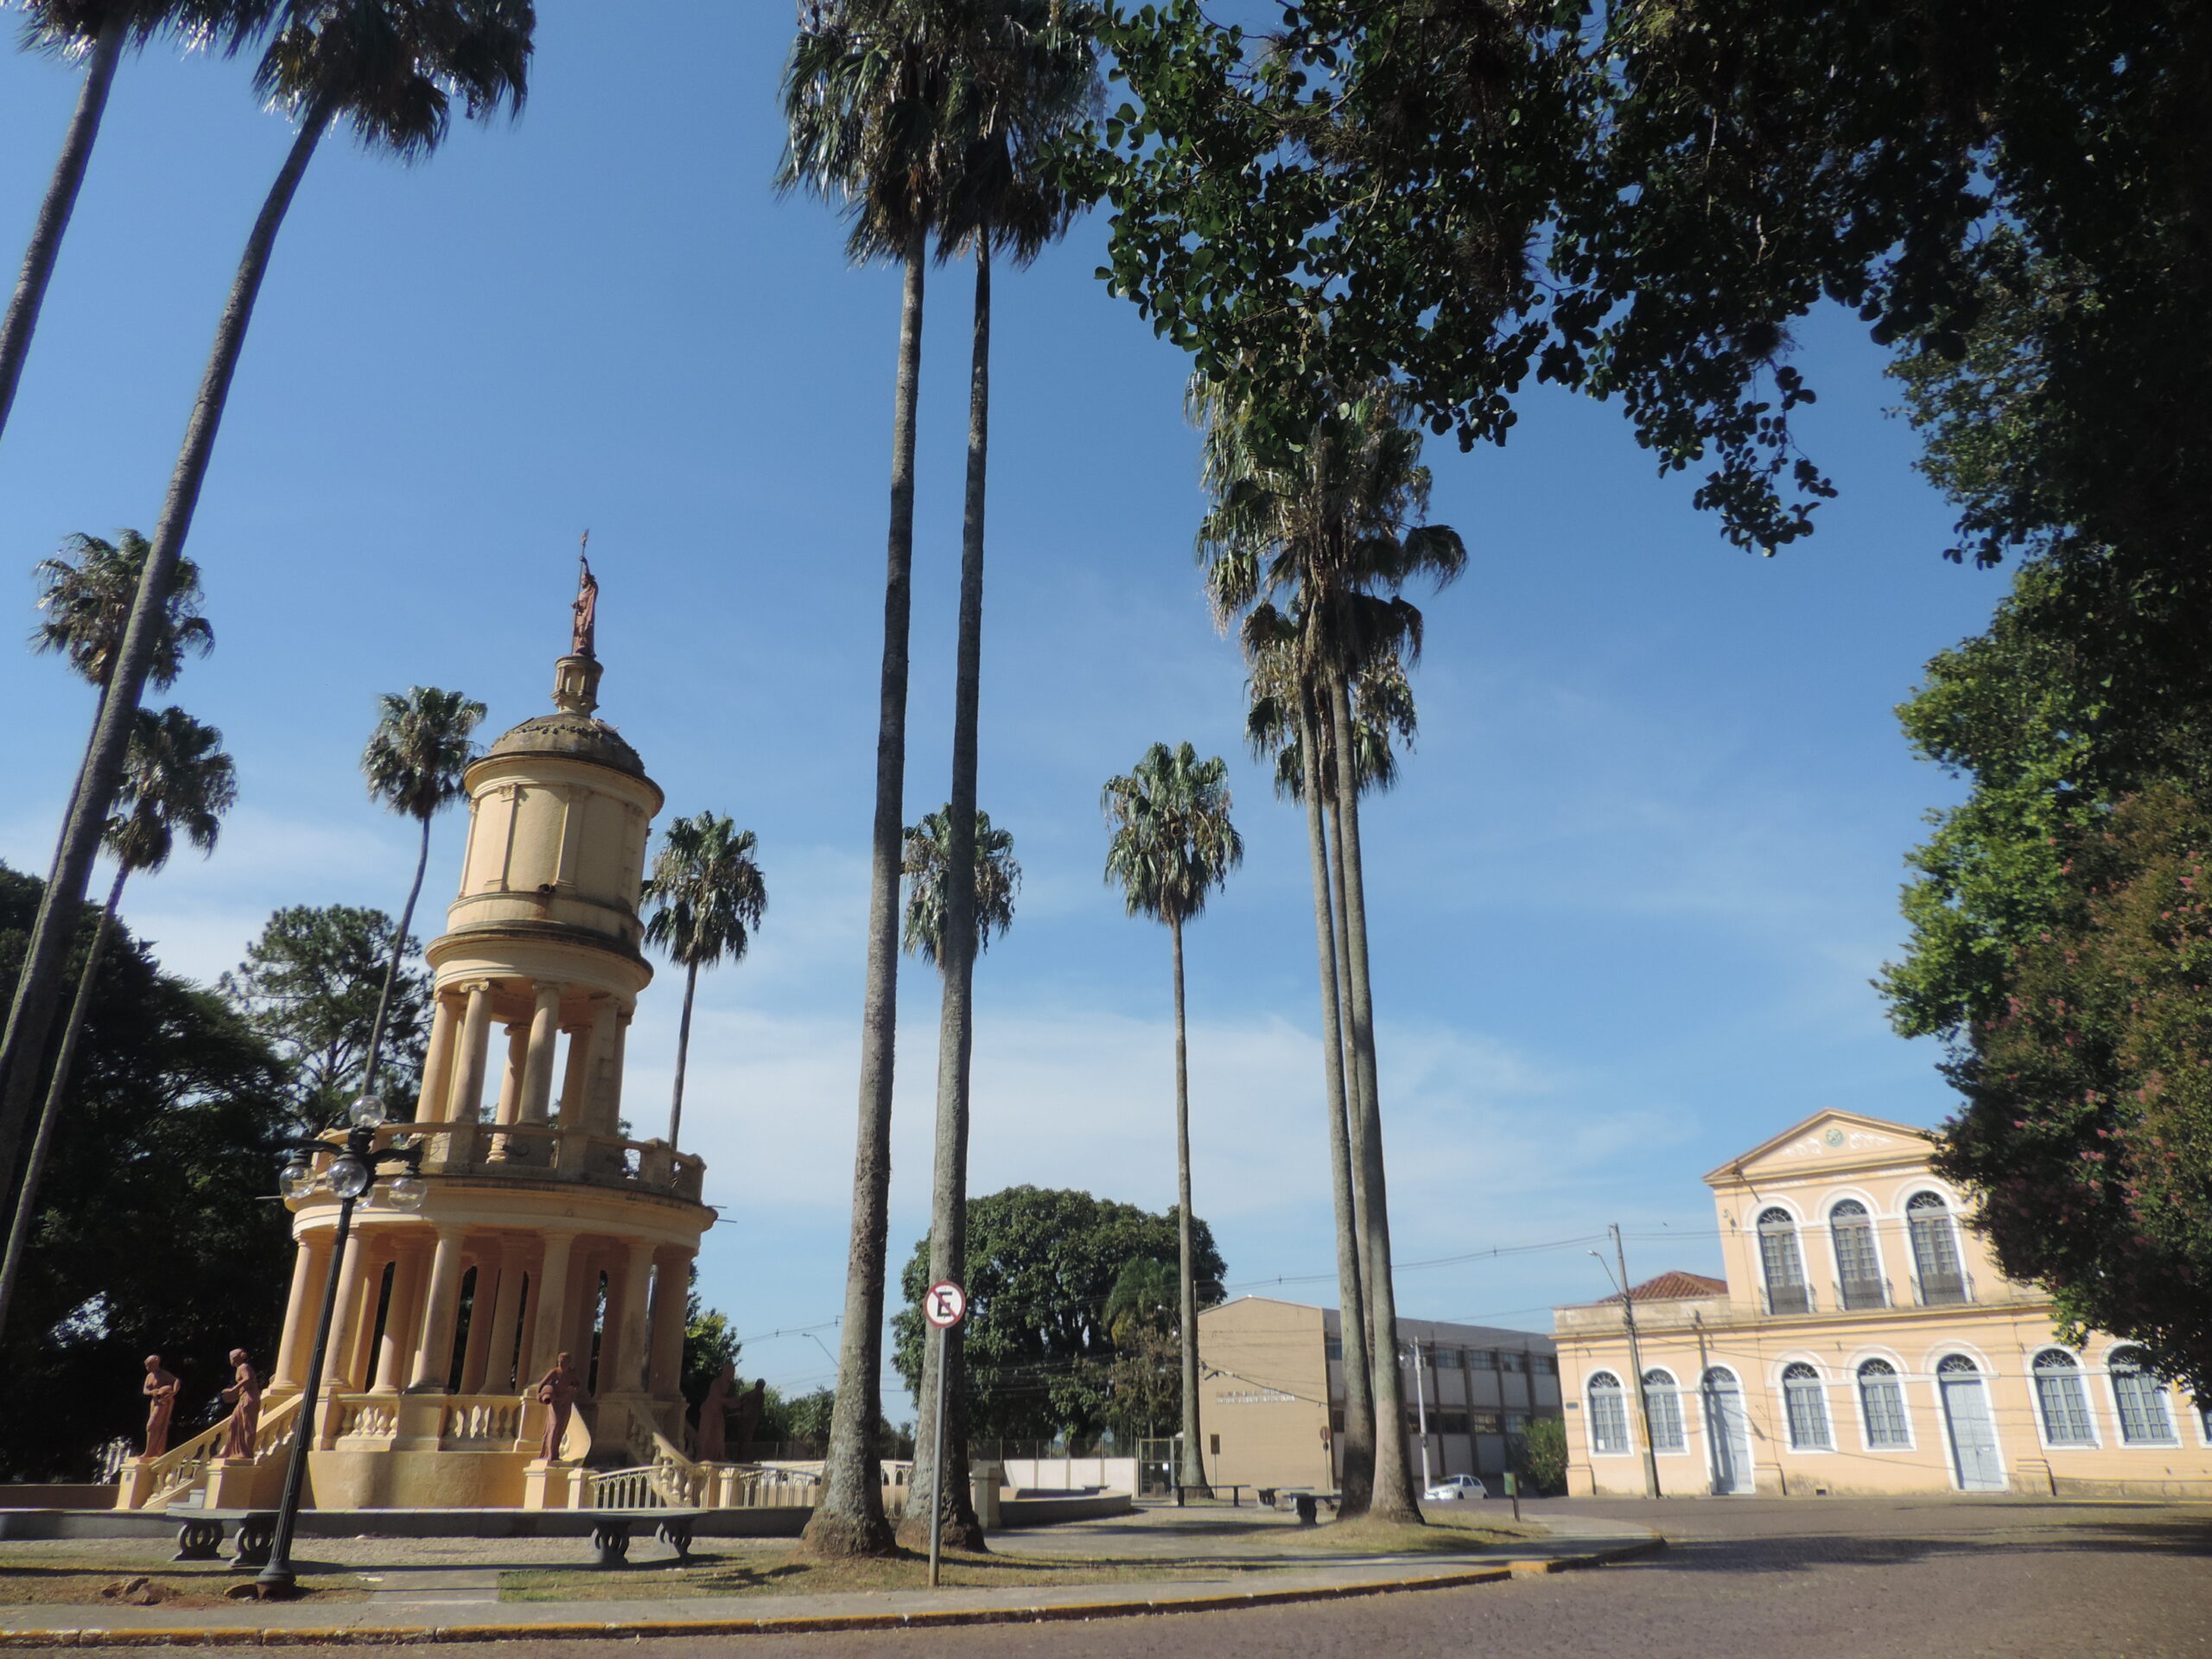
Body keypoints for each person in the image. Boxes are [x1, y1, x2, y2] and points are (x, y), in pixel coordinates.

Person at [536, 1351, 583, 1462]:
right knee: (554, 1425)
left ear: (568, 1362)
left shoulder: (571, 1374)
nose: (561, 1364)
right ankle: (550, 1454)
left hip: (566, 1402)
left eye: (563, 1362)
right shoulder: (555, 1372)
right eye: (559, 1362)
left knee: (562, 1427)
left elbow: (578, 1385)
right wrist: (540, 1396)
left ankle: (555, 1452)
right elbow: (541, 1385)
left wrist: (574, 1389)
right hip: (555, 1402)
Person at [219, 1350, 260, 1459]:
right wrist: (234, 1394)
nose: (230, 1358)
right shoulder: (240, 1368)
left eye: (232, 1356)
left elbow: (248, 1379)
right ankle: (229, 1451)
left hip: (249, 1398)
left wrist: (234, 1389)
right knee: (233, 1424)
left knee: (247, 1425)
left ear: (237, 1357)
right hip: (244, 1397)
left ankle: (246, 1452)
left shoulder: (244, 1367)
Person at [141, 1356, 180, 1459]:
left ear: (156, 1364)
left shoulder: (163, 1374)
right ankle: (151, 1451)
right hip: (154, 1402)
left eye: (149, 1365)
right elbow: (145, 1390)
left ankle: (151, 1451)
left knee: (151, 1426)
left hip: (162, 1403)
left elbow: (176, 1381)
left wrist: (173, 1392)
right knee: (154, 1428)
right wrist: (151, 1392)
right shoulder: (149, 1376)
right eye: (146, 1366)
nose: (148, 1368)